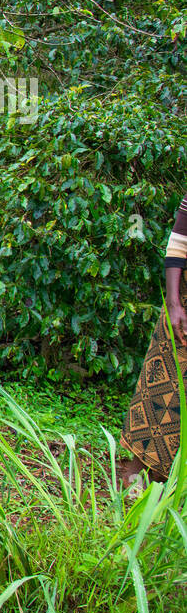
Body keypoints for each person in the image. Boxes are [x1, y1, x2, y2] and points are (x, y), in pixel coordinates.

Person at [120, 194, 187, 487]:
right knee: (162, 387)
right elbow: (179, 242)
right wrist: (174, 304)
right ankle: (141, 475)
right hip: (184, 308)